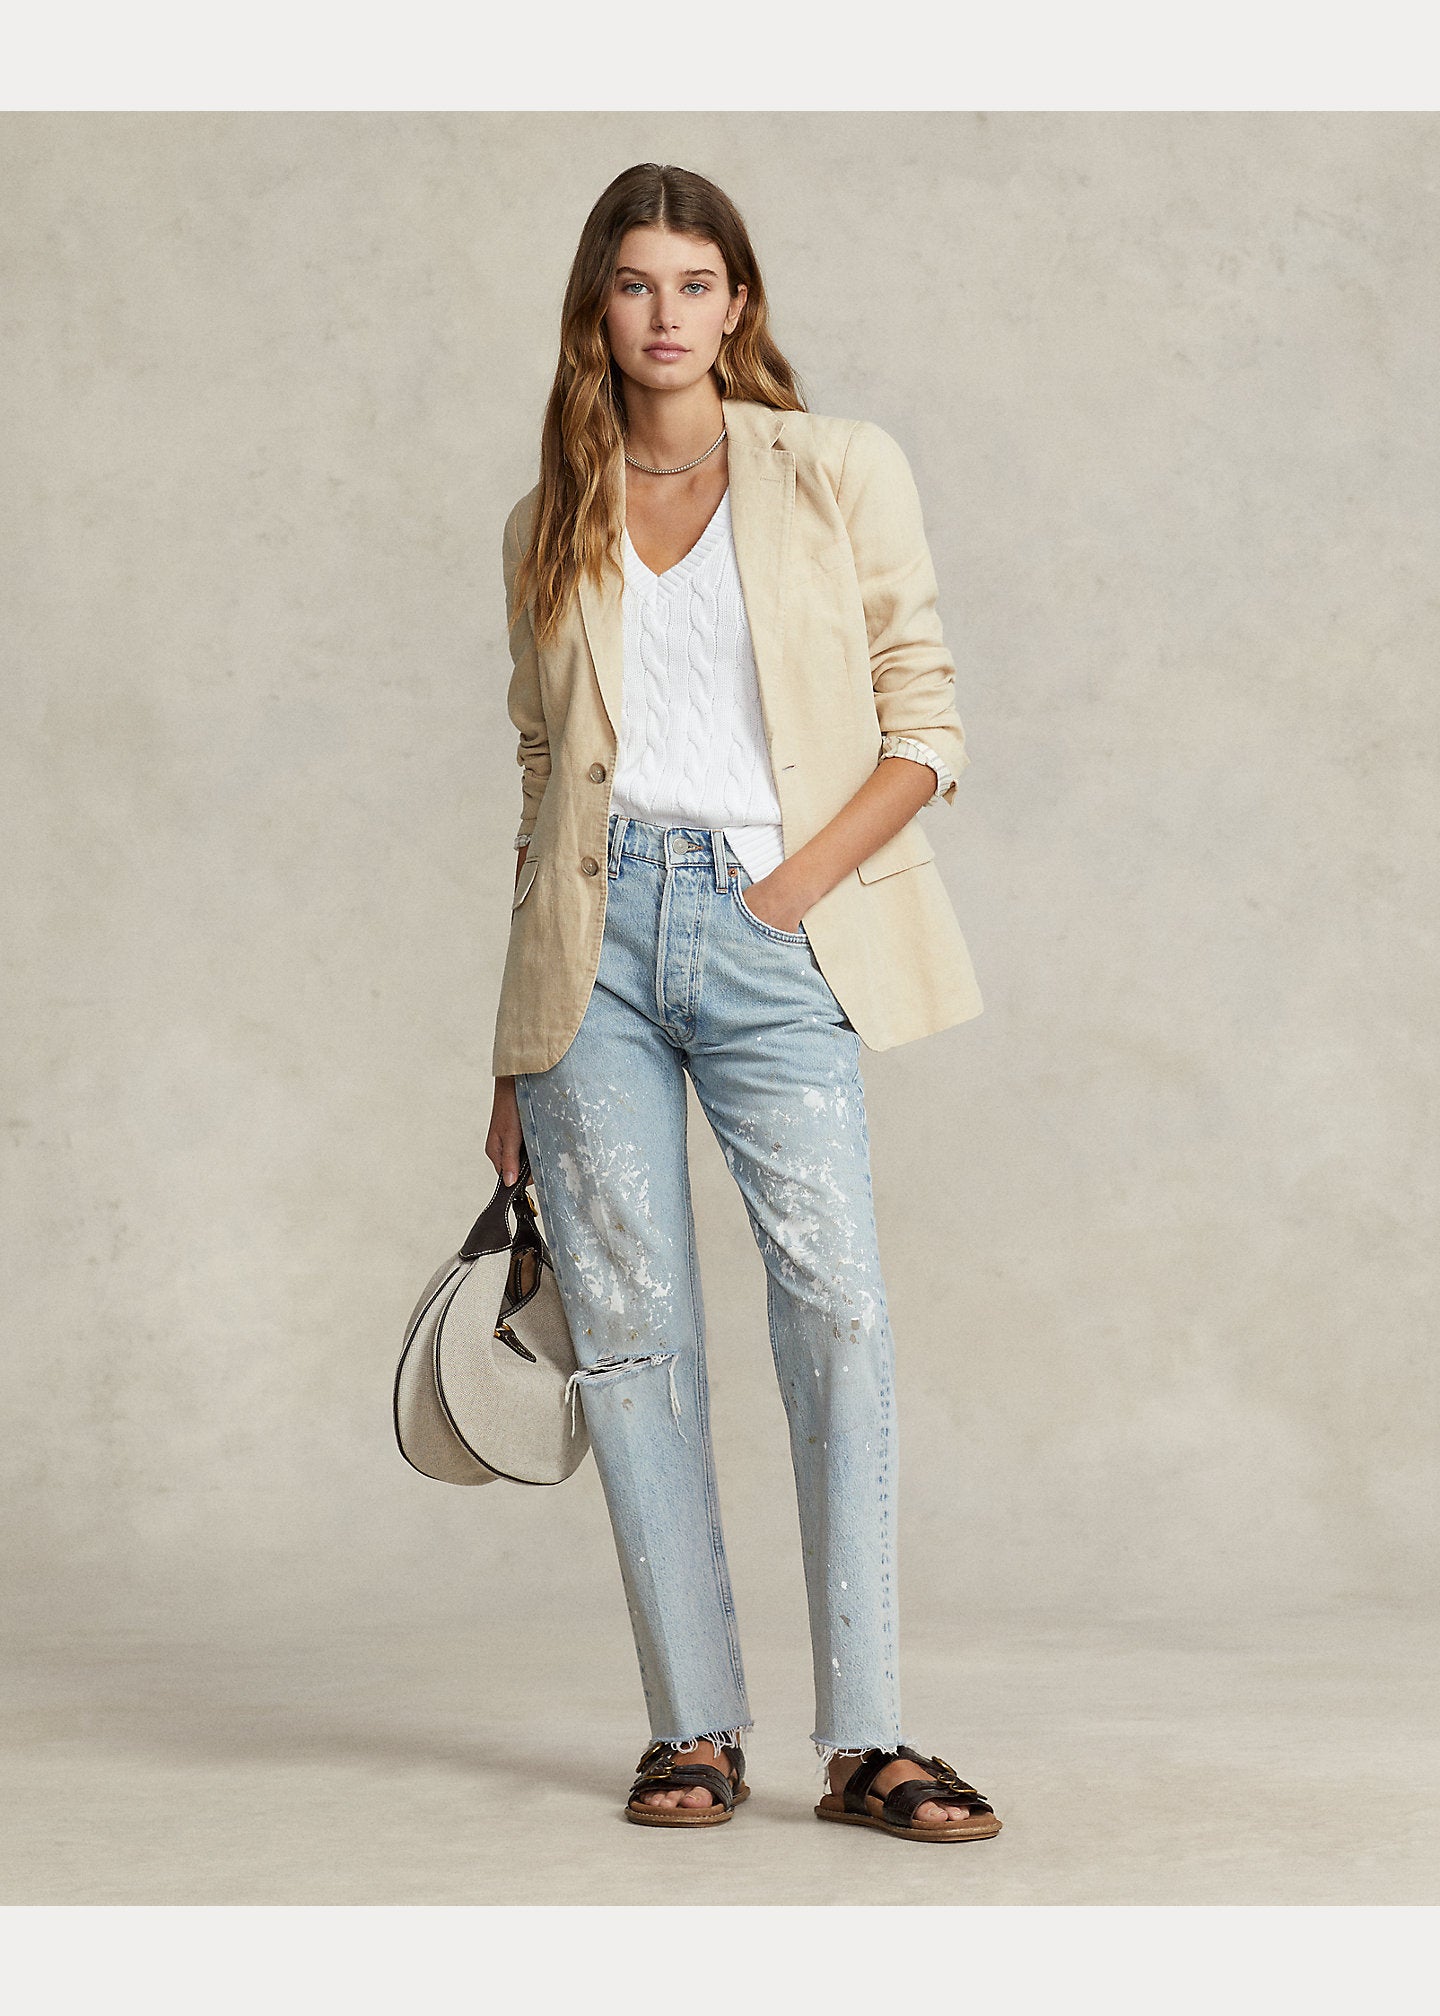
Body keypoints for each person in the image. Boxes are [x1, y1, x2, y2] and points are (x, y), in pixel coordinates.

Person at [484, 162, 1001, 1844]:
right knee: (631, 1337)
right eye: (635, 283)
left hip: (779, 931)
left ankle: (871, 1738)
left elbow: (927, 720)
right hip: (593, 960)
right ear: (598, 306)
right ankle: (690, 1727)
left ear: (739, 303)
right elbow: (543, 780)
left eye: (694, 283)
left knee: (835, 1312)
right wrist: (512, 1050)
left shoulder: (834, 468)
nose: (666, 314)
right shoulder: (546, 518)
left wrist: (788, 894)